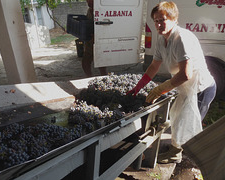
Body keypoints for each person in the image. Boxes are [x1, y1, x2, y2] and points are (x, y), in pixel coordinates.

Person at [127, 1, 216, 163]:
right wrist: (138, 86)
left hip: (201, 88)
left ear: (174, 19)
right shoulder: (162, 39)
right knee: (177, 118)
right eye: (156, 20)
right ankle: (178, 148)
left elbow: (186, 74)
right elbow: (154, 66)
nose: (159, 24)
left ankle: (183, 156)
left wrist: (161, 88)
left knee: (188, 123)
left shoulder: (181, 38)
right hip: (186, 88)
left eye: (162, 20)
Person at [82, 0, 107, 77]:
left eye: (90, 1)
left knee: (100, 60)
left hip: (99, 39)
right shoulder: (90, 10)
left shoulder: (101, 10)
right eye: (87, 1)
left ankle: (104, 76)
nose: (88, 3)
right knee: (86, 60)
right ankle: (89, 77)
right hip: (90, 40)